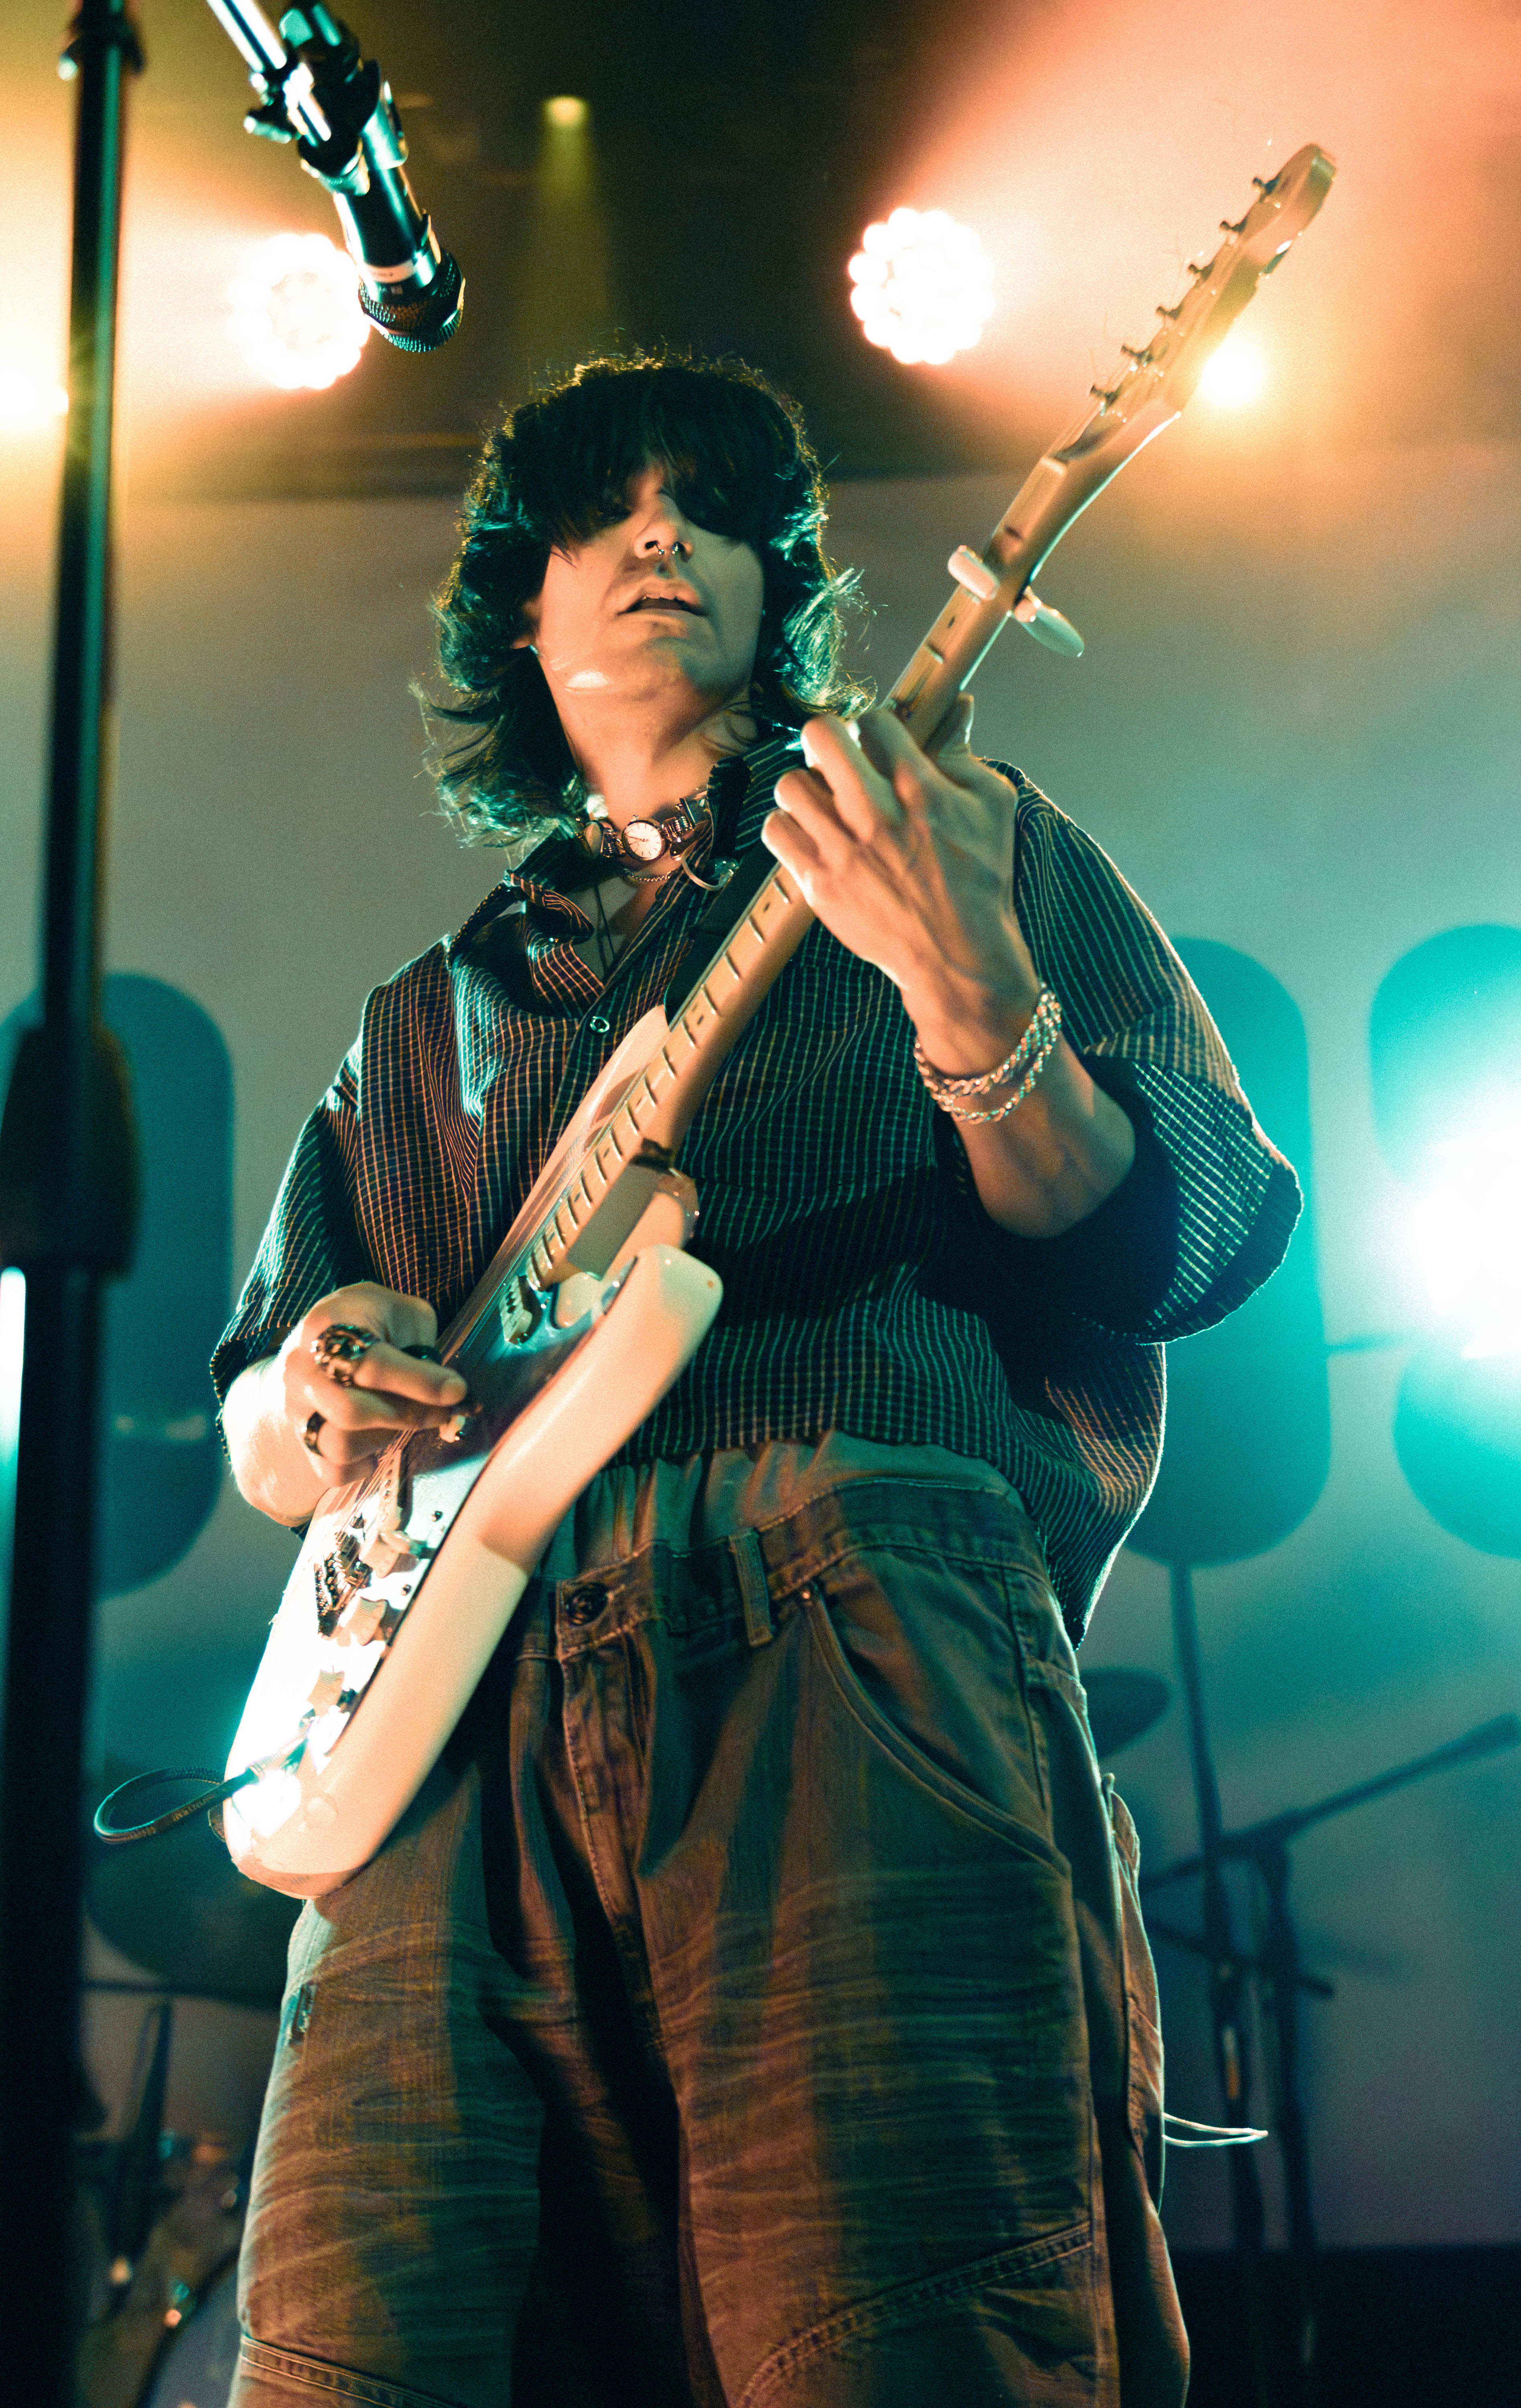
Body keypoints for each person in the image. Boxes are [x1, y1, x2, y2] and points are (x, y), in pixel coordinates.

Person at [214, 354, 1299, 2408]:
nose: (657, 541)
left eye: (709, 509)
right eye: (602, 514)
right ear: (512, 618)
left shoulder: (938, 824)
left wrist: (970, 993)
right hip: (438, 1729)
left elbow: (1198, 1231)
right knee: (364, 2355)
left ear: (775, 578)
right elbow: (267, 1403)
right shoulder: (416, 1025)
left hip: (842, 1613)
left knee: (900, 2336)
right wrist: (315, 1393)